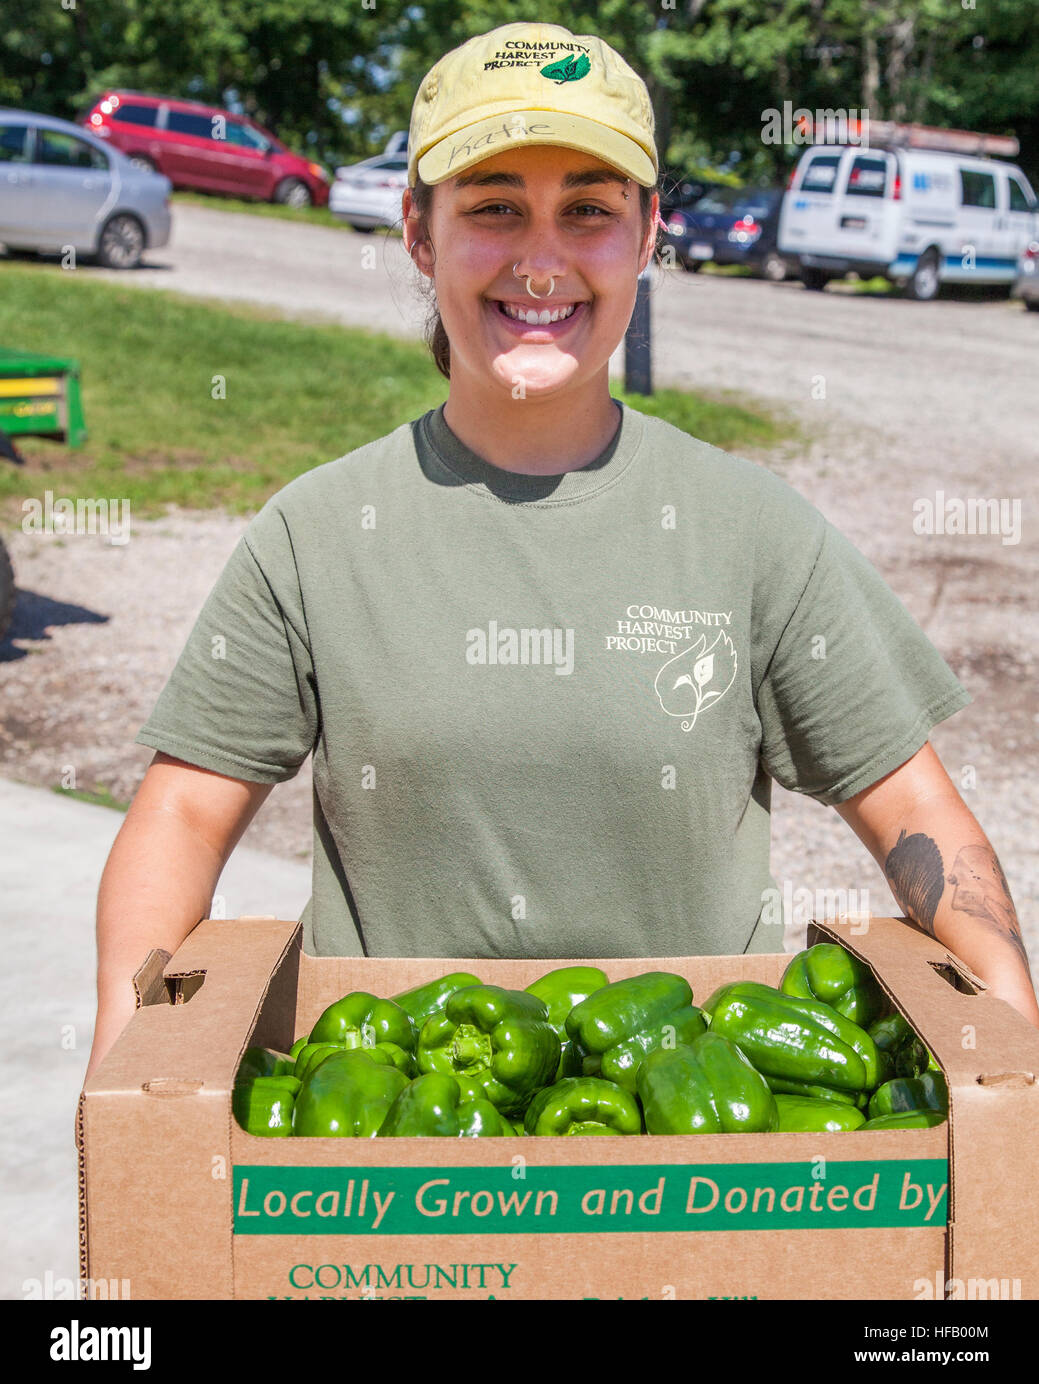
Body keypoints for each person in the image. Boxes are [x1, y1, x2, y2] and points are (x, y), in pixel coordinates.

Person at [85, 22, 1037, 1079]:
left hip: (701, 1178)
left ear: (645, 237)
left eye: (587, 210)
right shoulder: (314, 537)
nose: (541, 260)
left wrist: (1011, 1057)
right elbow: (178, 813)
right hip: (394, 1180)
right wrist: (130, 1074)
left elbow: (915, 811)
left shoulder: (753, 530)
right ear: (417, 232)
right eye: (494, 207)